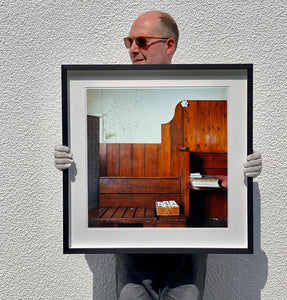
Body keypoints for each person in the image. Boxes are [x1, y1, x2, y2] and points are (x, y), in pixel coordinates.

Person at [54, 11, 262, 300]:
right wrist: (72, 163)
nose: (132, 49)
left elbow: (229, 152)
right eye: (128, 41)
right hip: (131, 249)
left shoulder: (200, 91)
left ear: (169, 45)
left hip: (189, 249)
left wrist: (244, 165)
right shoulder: (111, 94)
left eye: (141, 41)